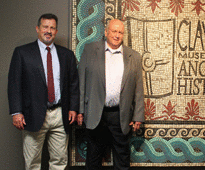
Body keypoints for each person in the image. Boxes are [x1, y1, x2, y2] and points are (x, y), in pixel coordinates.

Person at [8, 13, 79, 170]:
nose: (49, 31)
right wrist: (16, 112)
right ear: (37, 29)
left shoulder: (67, 55)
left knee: (59, 161)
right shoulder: (22, 53)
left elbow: (73, 83)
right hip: (32, 114)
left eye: (52, 28)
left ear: (56, 31)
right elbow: (14, 84)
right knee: (32, 162)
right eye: (45, 27)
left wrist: (73, 108)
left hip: (60, 115)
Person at [77, 18, 144, 170]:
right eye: (114, 31)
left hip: (120, 114)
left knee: (122, 158)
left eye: (120, 32)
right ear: (106, 32)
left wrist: (138, 116)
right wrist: (80, 110)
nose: (117, 35)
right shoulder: (90, 50)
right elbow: (81, 82)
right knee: (93, 157)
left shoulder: (134, 56)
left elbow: (138, 89)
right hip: (95, 113)